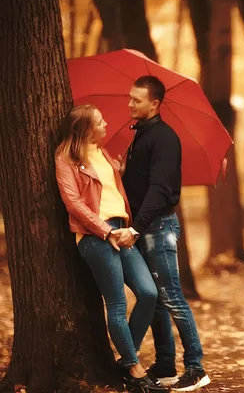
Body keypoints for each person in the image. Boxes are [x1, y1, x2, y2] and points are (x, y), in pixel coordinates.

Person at [55, 105, 168, 393]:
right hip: (96, 236)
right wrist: (106, 232)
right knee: (117, 303)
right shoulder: (66, 157)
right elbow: (74, 204)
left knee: (148, 293)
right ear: (85, 128)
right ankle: (134, 370)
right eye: (100, 121)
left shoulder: (103, 153)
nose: (106, 124)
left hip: (123, 230)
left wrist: (120, 170)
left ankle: (126, 359)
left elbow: (111, 190)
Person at [117, 75, 211, 391]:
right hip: (146, 228)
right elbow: (142, 183)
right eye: (130, 98)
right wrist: (122, 172)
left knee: (172, 298)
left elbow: (159, 189)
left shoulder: (164, 137)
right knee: (156, 300)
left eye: (137, 100)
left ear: (155, 103)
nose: (130, 104)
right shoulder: (141, 136)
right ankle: (166, 365)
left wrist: (135, 227)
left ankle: (196, 367)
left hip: (158, 228)